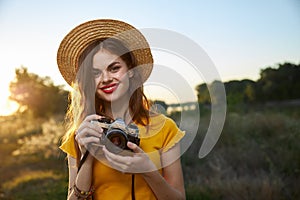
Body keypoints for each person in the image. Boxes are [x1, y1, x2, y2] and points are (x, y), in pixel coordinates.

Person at [58, 19, 186, 200]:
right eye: (95, 73)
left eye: (114, 68)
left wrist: (148, 171)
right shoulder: (83, 132)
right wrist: (87, 157)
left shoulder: (165, 128)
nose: (106, 78)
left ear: (131, 70)